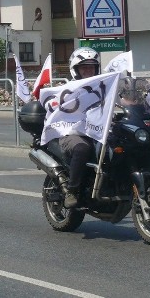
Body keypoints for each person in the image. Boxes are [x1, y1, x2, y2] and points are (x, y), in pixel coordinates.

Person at [58, 47, 102, 209]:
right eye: (84, 67)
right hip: (74, 132)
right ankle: (72, 190)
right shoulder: (68, 89)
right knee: (82, 148)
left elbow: (120, 101)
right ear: (76, 69)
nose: (88, 71)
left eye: (91, 67)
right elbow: (60, 109)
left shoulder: (103, 86)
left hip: (98, 131)